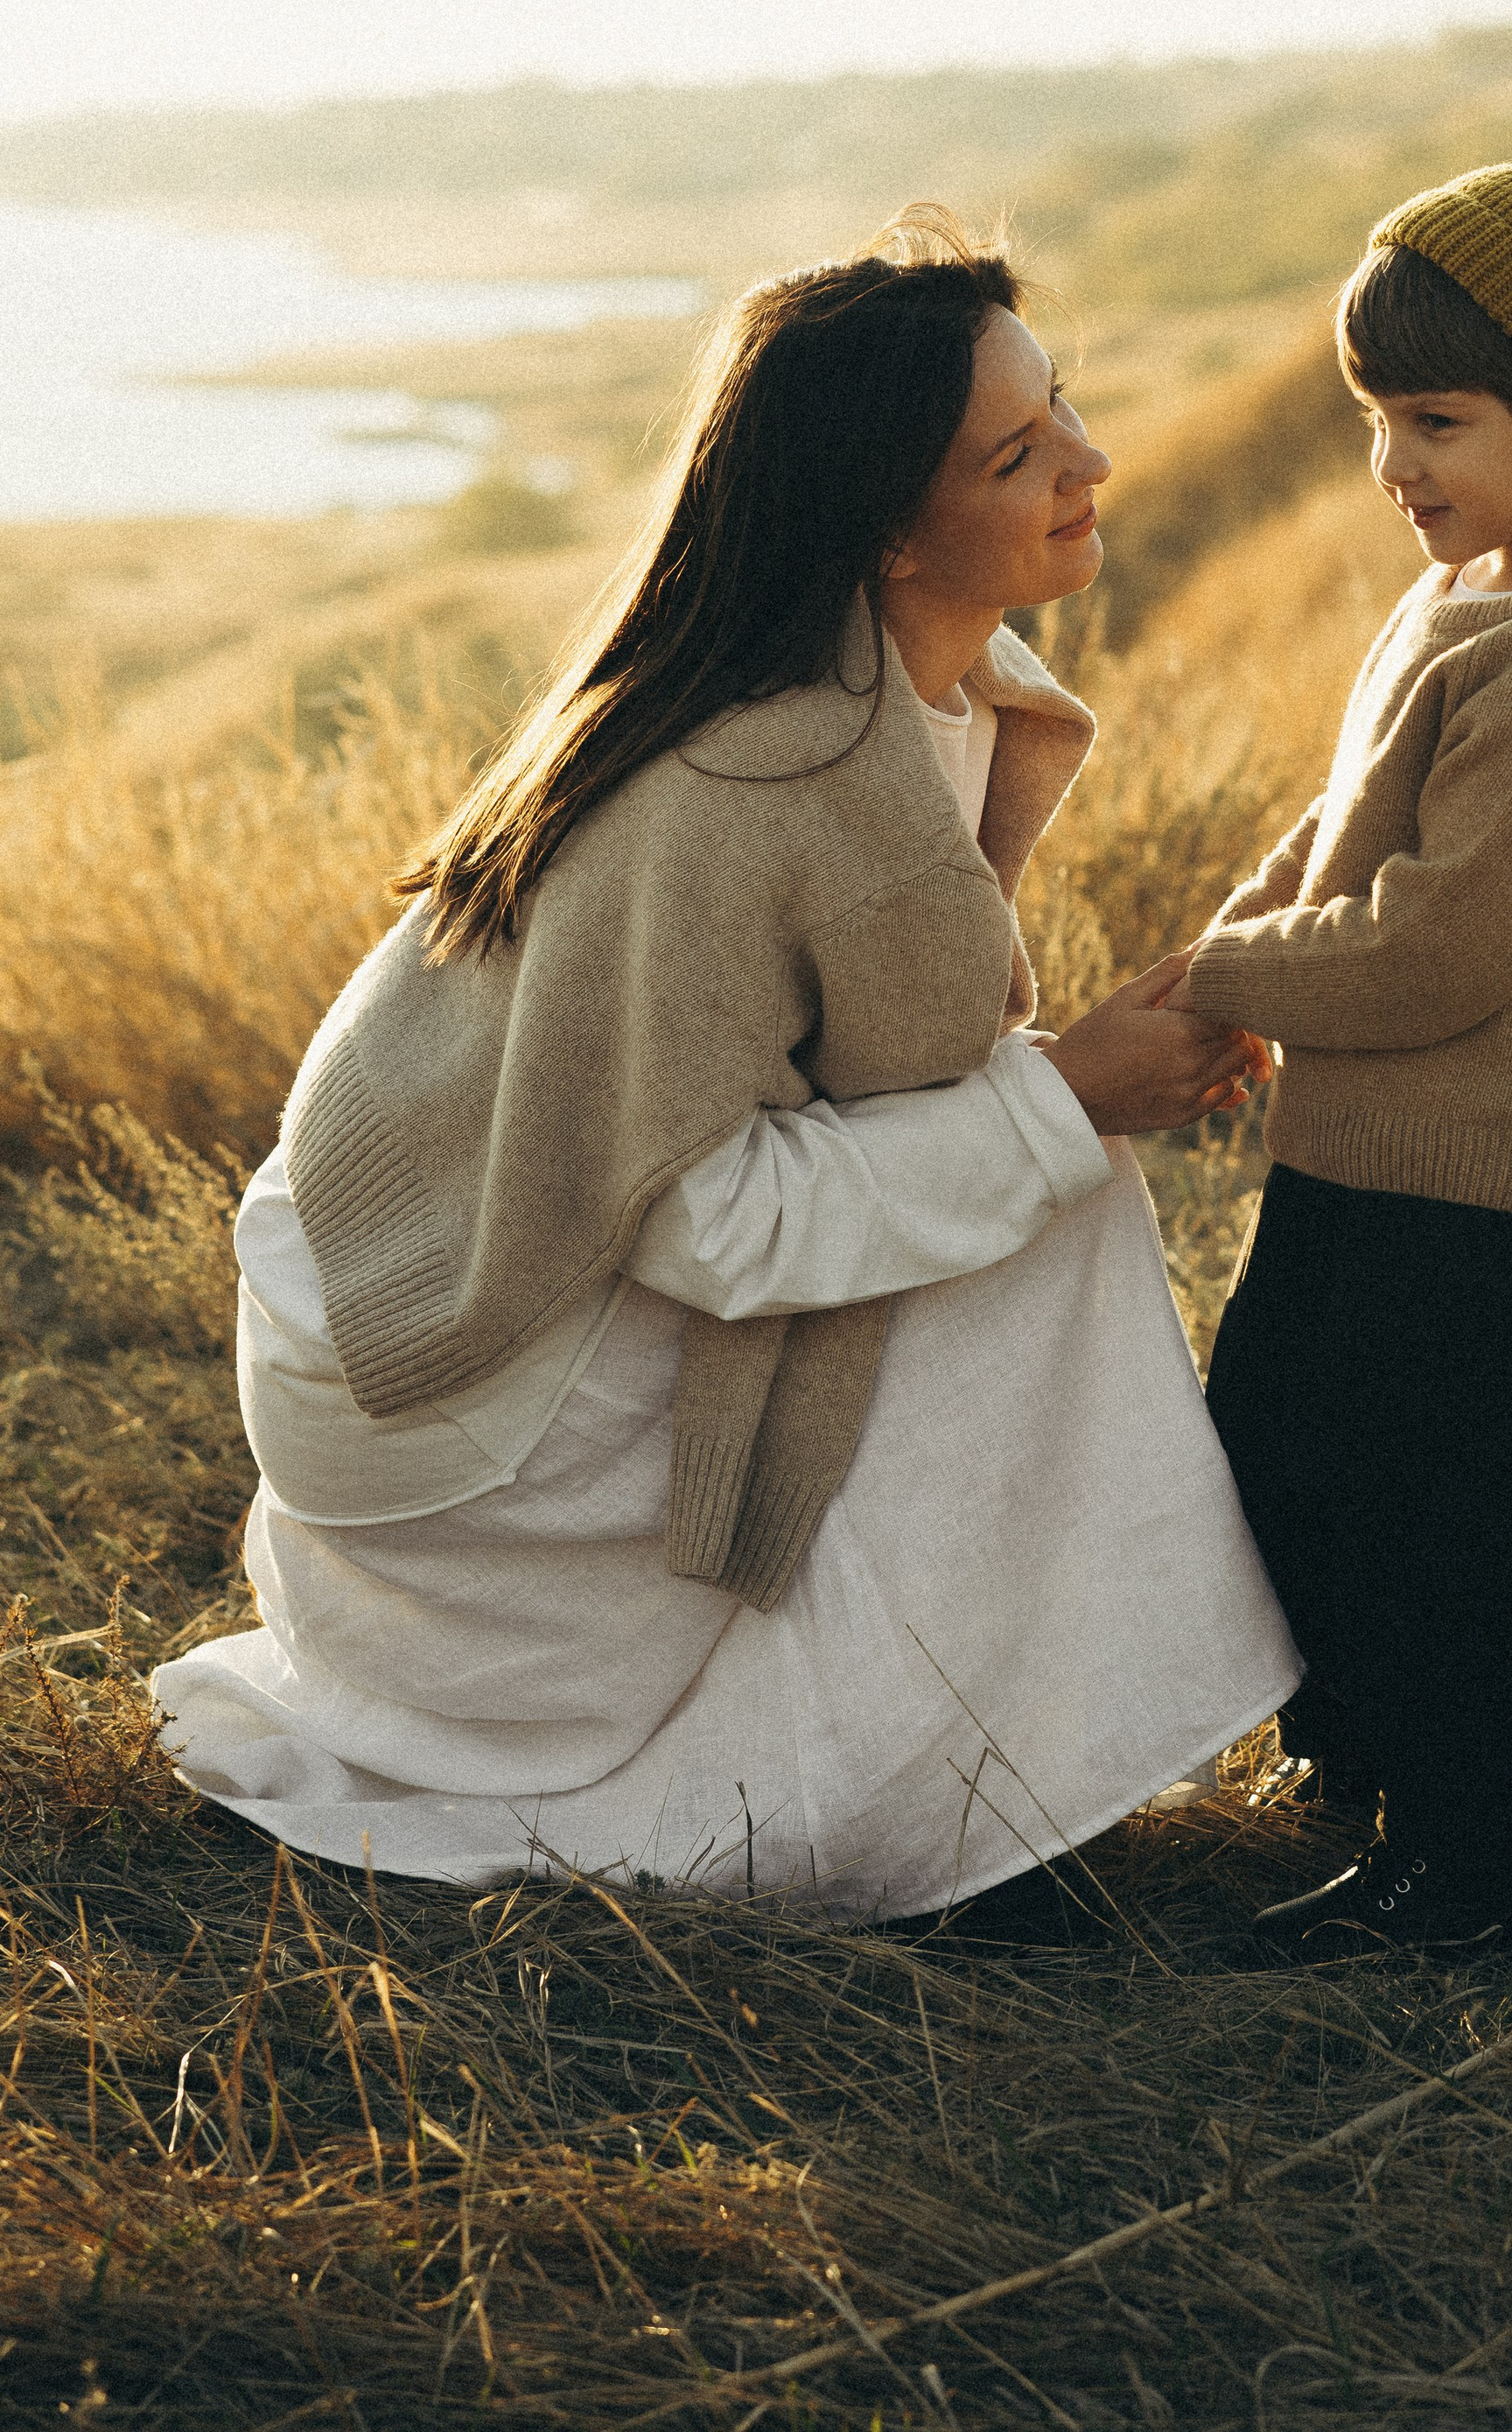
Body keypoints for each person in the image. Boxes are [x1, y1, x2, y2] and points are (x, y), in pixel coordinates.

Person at [153, 217, 1298, 1931]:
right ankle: (938, 1794)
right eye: (1016, 451)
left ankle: (996, 1749)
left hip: (485, 1284)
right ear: (884, 528)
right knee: (1037, 1217)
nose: (1091, 462)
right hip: (443, 1404)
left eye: (1062, 407)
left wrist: (1062, 1086)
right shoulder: (756, 769)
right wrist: (1065, 1098)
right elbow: (721, 1227)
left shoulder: (912, 687)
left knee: (1016, 1181)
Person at [1172, 164, 1512, 1956]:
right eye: (1375, 422)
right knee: (1292, 1454)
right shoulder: (1468, 585)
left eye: (1438, 422)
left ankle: (1463, 1870)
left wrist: (1222, 974)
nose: (1394, 465)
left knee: (1472, 1530)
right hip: (1372, 1141)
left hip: (1499, 1171)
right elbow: (1344, 826)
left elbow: (1445, 937)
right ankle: (1356, 1750)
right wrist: (1237, 951)